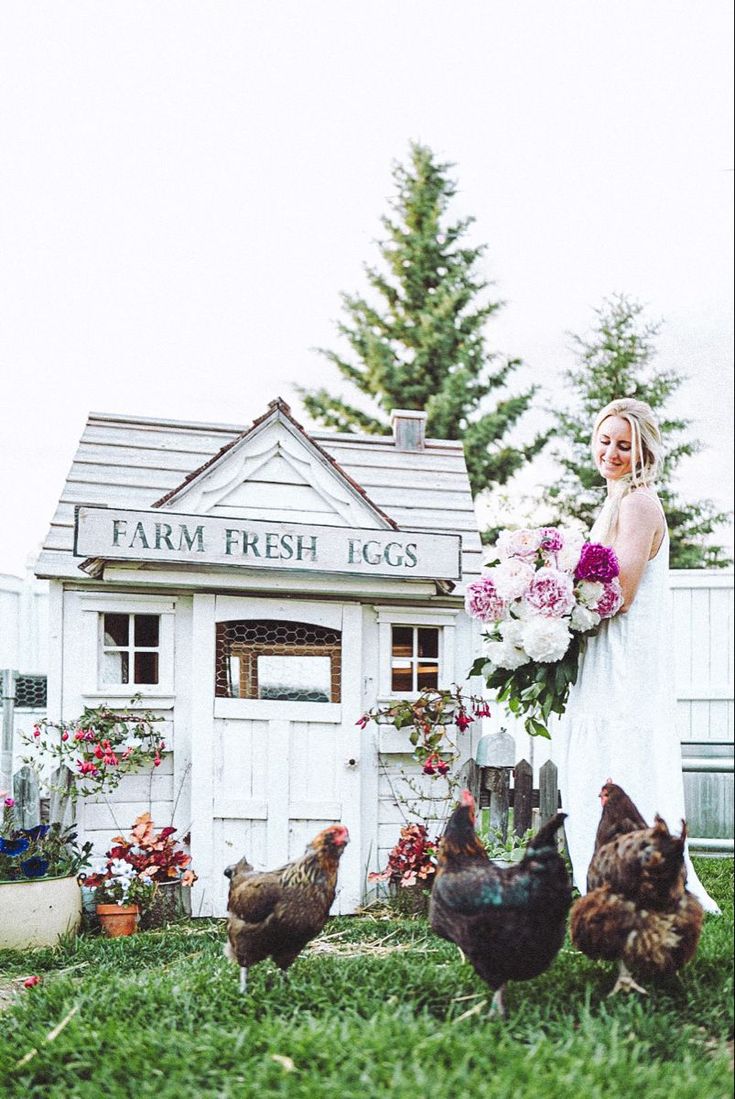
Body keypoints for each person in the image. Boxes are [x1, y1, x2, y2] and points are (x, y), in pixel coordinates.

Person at [552, 397, 720, 914]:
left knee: (622, 757)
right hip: (606, 654)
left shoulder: (638, 504)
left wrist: (554, 603)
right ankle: (603, 875)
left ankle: (645, 876)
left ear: (643, 451)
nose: (611, 452)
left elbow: (618, 595)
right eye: (605, 440)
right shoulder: (615, 501)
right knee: (597, 757)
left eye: (624, 445)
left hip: (625, 660)